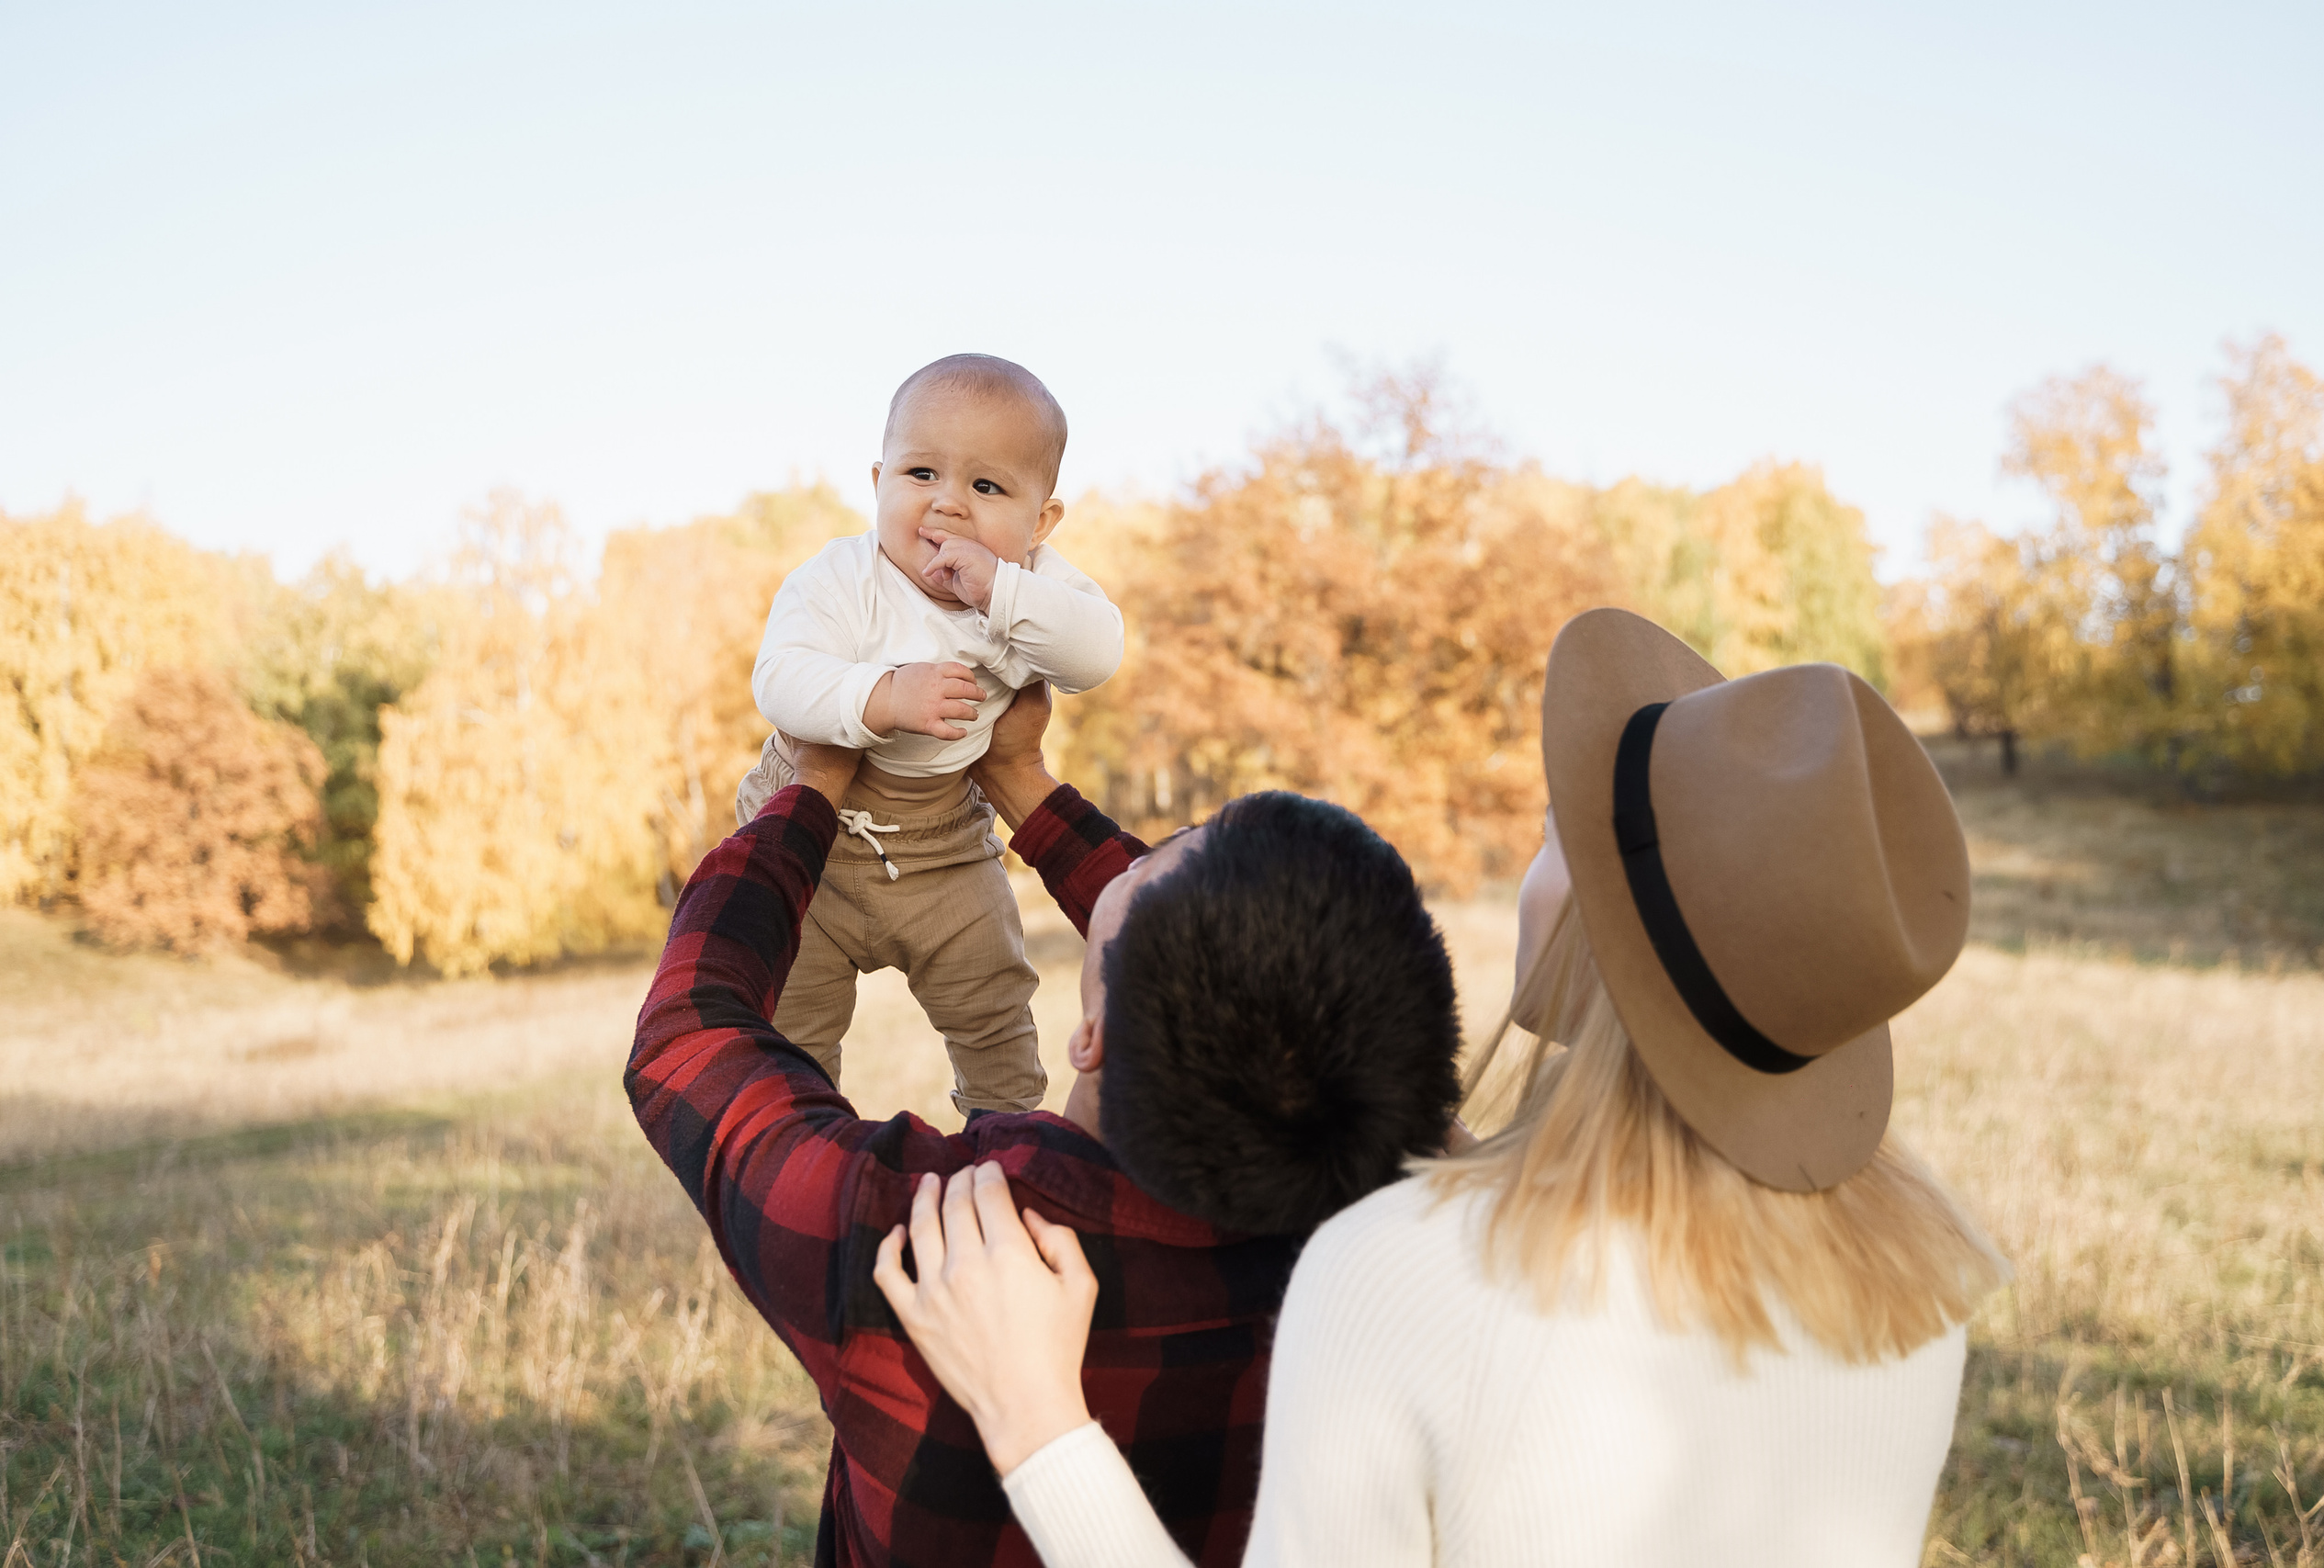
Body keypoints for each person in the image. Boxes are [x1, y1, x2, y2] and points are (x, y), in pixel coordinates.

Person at [876, 607, 2012, 1568]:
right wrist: (1032, 793)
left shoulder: (1402, 1274)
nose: (1533, 852)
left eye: (1554, 832)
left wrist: (1035, 1418)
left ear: (1591, 928)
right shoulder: (1917, 1286)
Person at [626, 680, 1463, 1568]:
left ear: (1093, 1037)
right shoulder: (1377, 1229)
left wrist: (812, 789)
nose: (1142, 855)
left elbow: (687, 1039)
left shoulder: (932, 1244)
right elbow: (1234, 969)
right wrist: (1019, 780)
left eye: (1153, 859)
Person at [737, 353, 1125, 1118]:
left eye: (985, 487)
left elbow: (1098, 653)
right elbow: (778, 678)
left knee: (993, 1000)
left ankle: (1007, 1137)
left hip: (946, 842)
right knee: (789, 1024)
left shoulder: (1036, 587)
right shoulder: (843, 577)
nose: (946, 506)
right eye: (921, 475)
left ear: (1041, 520)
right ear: (879, 480)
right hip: (816, 832)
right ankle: (804, 1141)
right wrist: (880, 694)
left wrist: (1003, 592)